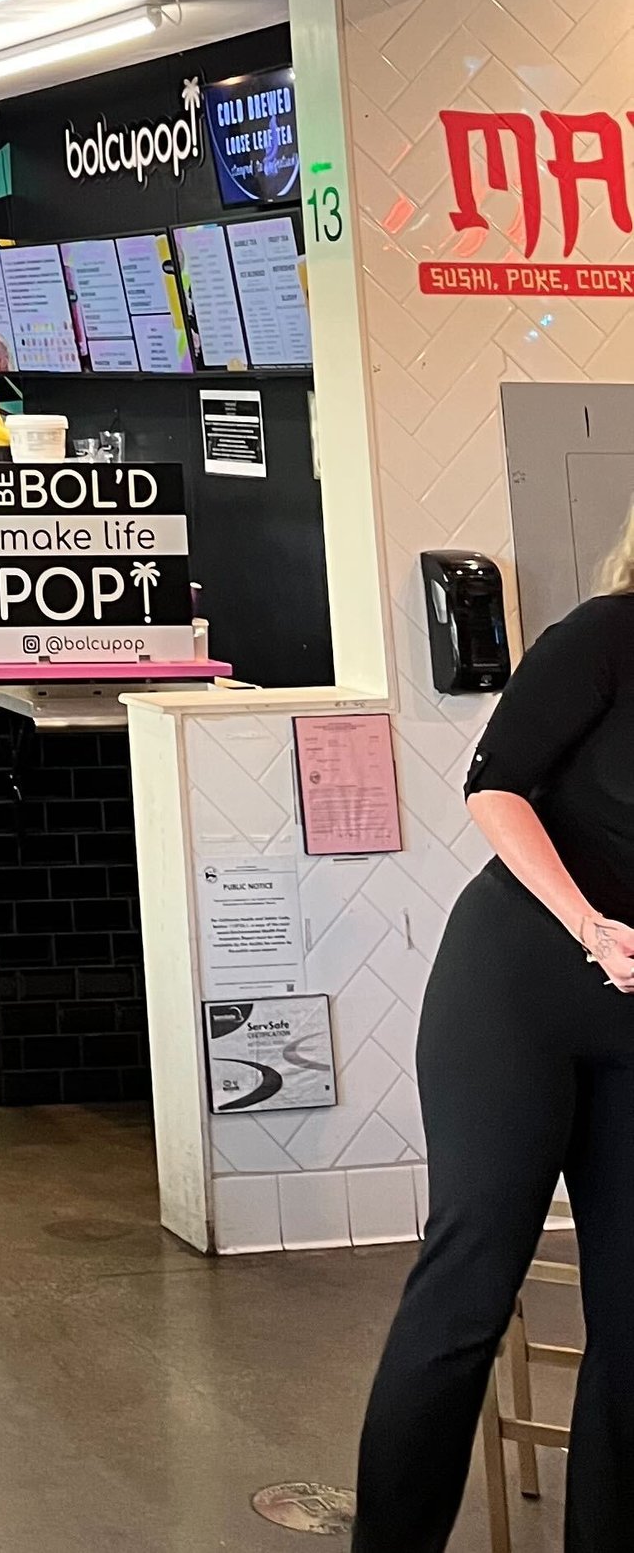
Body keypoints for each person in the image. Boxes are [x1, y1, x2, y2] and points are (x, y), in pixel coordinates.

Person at [351, 523, 634, 1550]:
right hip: (521, 980)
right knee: (468, 1288)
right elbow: (494, 784)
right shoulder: (603, 634)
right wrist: (591, 926)